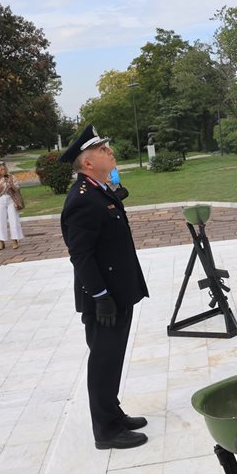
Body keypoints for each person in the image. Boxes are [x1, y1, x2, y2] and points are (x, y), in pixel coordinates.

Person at [60, 125, 150, 450]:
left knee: (113, 358)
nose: (110, 151)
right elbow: (80, 255)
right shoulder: (82, 199)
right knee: (103, 361)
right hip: (104, 298)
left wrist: (115, 186)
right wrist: (100, 297)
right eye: (102, 150)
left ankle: (113, 413)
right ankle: (106, 431)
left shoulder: (98, 189)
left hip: (116, 291)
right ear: (87, 163)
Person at [0, 161, 23, 250]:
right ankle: (1, 241)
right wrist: (0, 185)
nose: (3, 171)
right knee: (1, 221)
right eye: (1, 169)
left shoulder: (11, 177)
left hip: (11, 199)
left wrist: (11, 184)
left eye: (4, 169)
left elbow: (17, 189)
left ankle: (15, 240)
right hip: (1, 200)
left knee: (14, 219)